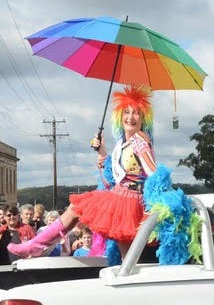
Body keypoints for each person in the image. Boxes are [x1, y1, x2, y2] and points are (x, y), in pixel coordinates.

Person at [7, 85, 202, 264]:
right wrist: (102, 153)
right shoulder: (123, 143)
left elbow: (153, 172)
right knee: (122, 253)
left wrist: (158, 195)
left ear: (143, 120)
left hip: (131, 202)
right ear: (119, 116)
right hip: (119, 197)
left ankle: (35, 246)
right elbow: (112, 180)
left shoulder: (140, 139)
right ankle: (36, 246)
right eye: (127, 112)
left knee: (127, 256)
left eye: (136, 113)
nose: (131, 117)